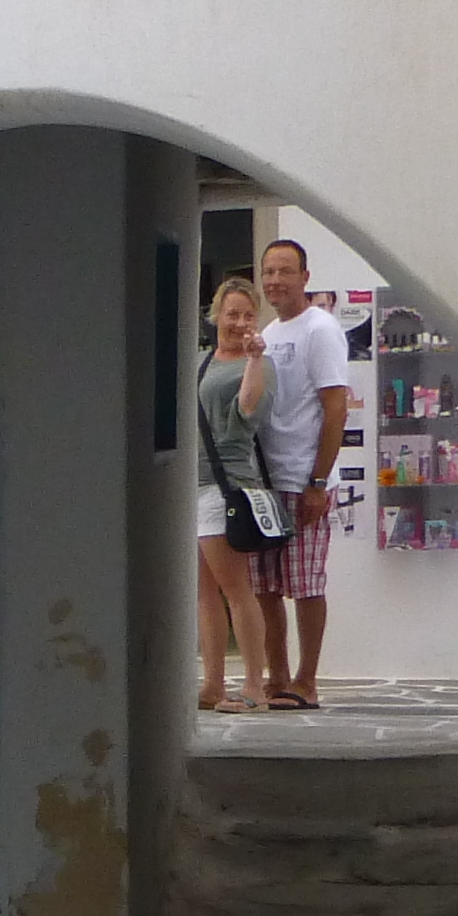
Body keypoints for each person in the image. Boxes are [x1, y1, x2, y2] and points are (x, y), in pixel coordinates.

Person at [251, 237, 355, 707]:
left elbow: (335, 407)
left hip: (302, 479)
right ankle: (276, 676)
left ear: (305, 278)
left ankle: (306, 680)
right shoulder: (270, 333)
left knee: (306, 584)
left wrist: (318, 481)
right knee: (265, 587)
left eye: (285, 271)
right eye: (269, 271)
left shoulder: (321, 328)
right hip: (265, 481)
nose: (275, 280)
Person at [191, 278, 283, 711]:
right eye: (232, 314)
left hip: (226, 485)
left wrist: (254, 359)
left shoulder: (261, 365)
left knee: (235, 588)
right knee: (203, 591)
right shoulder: (200, 362)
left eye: (248, 315)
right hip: (193, 484)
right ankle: (212, 684)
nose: (239, 322)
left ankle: (253, 686)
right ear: (216, 316)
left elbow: (248, 411)